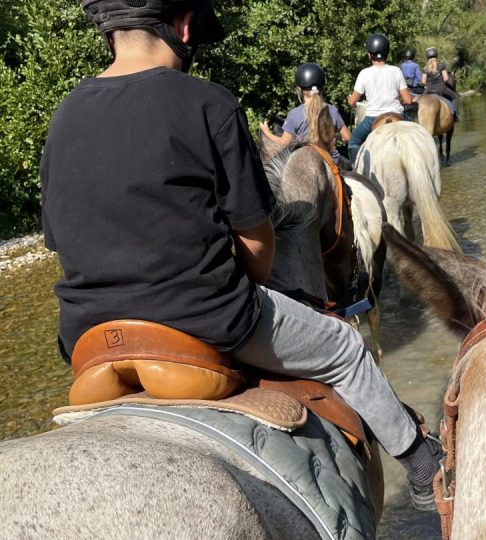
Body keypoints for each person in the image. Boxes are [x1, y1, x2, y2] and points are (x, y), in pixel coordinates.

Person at [41, 0, 441, 513]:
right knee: (342, 346)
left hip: (87, 336)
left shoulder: (65, 114)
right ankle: (423, 465)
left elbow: (62, 242)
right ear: (183, 25)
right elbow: (256, 243)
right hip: (208, 318)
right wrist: (251, 279)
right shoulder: (209, 103)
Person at [260, 62, 351, 167]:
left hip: (305, 164)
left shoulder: (294, 115)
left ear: (299, 90)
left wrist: (266, 132)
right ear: (321, 89)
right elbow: (347, 137)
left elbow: (283, 143)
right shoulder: (332, 110)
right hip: (332, 162)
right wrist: (331, 135)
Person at [346, 33, 413, 163]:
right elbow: (409, 100)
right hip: (396, 115)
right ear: (387, 53)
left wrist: (350, 101)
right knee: (418, 134)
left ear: (369, 55)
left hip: (373, 118)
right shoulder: (396, 71)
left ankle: (357, 173)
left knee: (353, 141)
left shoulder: (364, 73)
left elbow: (352, 101)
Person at [422, 47, 459, 119]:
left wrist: (428, 84)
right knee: (455, 97)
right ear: (436, 55)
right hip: (441, 88)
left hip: (428, 89)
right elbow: (446, 79)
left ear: (427, 57)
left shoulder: (425, 68)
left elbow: (423, 82)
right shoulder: (441, 65)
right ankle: (454, 115)